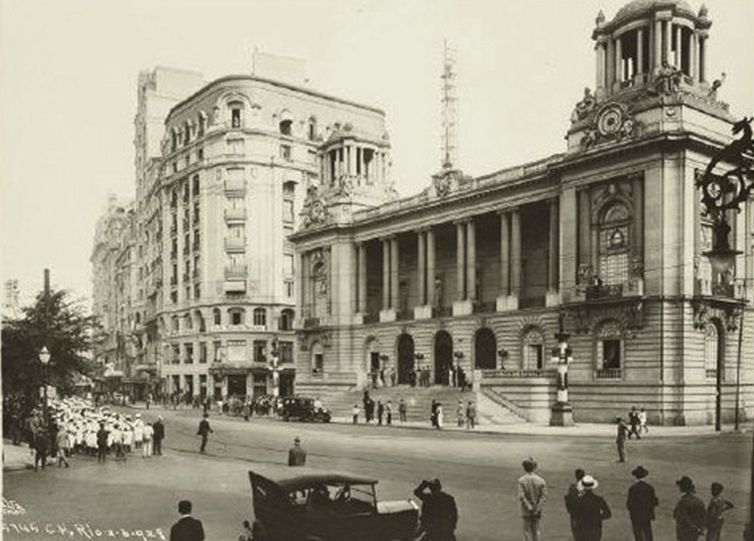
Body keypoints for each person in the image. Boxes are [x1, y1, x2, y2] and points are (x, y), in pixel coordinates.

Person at [572, 475, 611, 541]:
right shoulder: (599, 500)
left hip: (582, 529)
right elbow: (608, 514)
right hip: (595, 529)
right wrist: (598, 517)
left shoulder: (578, 500)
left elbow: (574, 515)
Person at [518, 457, 547, 541]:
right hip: (537, 509)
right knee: (536, 530)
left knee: (526, 531)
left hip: (526, 510)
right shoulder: (541, 481)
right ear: (534, 467)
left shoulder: (521, 480)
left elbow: (521, 496)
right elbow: (543, 497)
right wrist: (538, 508)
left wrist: (529, 506)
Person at [627, 465, 658, 541]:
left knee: (638, 534)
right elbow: (655, 502)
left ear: (635, 476)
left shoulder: (633, 488)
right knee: (647, 532)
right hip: (647, 514)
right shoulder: (649, 487)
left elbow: (629, 504)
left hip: (636, 515)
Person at [673, 476, 706, 541]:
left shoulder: (683, 502)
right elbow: (704, 517)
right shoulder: (699, 501)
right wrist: (699, 529)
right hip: (695, 532)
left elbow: (679, 517)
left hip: (684, 531)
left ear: (682, 488)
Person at [564, 468, 585, 540]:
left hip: (575, 513)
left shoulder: (572, 487)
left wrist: (569, 510)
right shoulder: (587, 487)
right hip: (586, 513)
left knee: (576, 532)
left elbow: (567, 499)